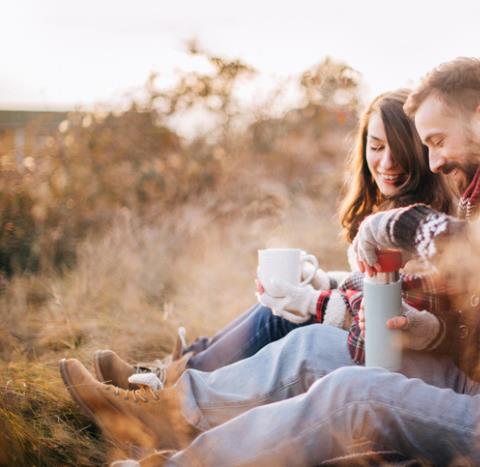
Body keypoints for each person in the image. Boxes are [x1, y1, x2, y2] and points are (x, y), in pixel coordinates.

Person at [63, 57, 480, 466]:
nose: (432, 161)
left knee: (352, 394)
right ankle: (160, 414)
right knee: (314, 348)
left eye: (437, 141)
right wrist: (433, 328)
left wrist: (396, 224)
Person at [90, 88, 454, 390]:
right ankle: (180, 366)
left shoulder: (415, 222)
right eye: (376, 147)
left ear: (420, 152)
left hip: (395, 357)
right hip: (368, 339)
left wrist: (313, 300)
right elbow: (366, 284)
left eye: (400, 150)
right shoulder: (383, 205)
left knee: (280, 316)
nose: (387, 162)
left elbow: (389, 309)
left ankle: (169, 382)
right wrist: (321, 281)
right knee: (280, 303)